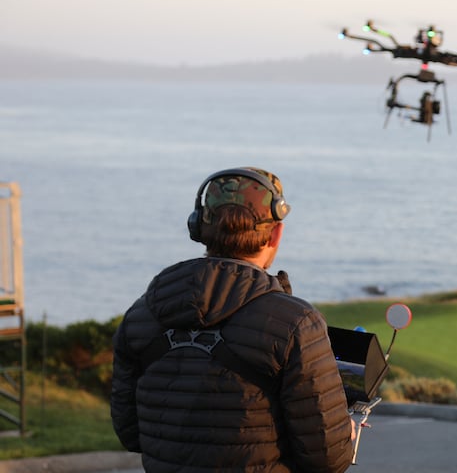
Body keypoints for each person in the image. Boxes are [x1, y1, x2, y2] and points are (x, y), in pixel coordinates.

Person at [111, 167, 354, 472]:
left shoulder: (139, 317)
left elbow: (130, 434)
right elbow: (328, 459)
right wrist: (347, 433)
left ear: (197, 227)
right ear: (276, 232)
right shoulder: (297, 324)